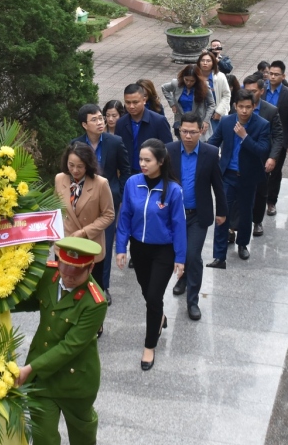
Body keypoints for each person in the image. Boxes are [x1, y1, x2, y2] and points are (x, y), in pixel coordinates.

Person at [15, 237, 107, 445]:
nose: (67, 276)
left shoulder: (95, 302)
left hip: (76, 380)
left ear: (90, 269)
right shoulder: (49, 275)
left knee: (82, 422)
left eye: (75, 272)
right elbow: (28, 300)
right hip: (42, 380)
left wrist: (29, 370)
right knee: (43, 441)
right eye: (64, 267)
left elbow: (69, 347)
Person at [115, 138, 186, 371]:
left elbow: (179, 225)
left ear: (161, 162)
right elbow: (124, 216)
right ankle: (160, 317)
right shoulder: (133, 183)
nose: (142, 164)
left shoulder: (173, 190)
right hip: (139, 249)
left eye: (148, 160)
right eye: (140, 159)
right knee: (148, 293)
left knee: (154, 297)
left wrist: (180, 258)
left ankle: (149, 345)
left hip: (163, 251)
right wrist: (121, 248)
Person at [165, 118, 226, 320]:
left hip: (198, 216)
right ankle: (182, 279)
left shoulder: (209, 153)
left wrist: (222, 211)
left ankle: (192, 301)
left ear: (201, 130)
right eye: (184, 131)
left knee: (193, 255)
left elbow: (218, 184)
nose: (188, 136)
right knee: (177, 255)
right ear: (179, 131)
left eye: (193, 132)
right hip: (174, 216)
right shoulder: (169, 151)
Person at [55, 142, 115, 327]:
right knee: (66, 283)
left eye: (80, 166)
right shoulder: (60, 179)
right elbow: (56, 208)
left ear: (88, 164)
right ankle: (66, 320)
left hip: (90, 244)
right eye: (71, 165)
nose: (75, 170)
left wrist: (84, 232)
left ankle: (95, 323)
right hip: (66, 244)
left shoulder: (100, 183)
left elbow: (109, 214)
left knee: (92, 287)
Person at [206, 91, 270, 265]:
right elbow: (213, 142)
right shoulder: (226, 121)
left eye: (248, 107)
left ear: (254, 107)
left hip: (248, 176)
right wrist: (211, 159)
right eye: (241, 107)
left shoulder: (262, 125)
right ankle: (219, 255)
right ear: (235, 106)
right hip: (227, 175)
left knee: (245, 211)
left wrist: (245, 137)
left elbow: (262, 150)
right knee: (222, 213)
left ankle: (242, 244)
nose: (244, 111)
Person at [73, 104, 129, 301]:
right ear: (84, 125)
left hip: (108, 203)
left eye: (101, 118)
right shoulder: (76, 145)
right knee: (83, 244)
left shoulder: (114, 142)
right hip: (83, 204)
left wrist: (120, 195)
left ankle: (102, 287)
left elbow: (125, 170)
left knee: (103, 246)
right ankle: (81, 283)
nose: (100, 122)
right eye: (94, 119)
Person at [242, 74, 284, 238]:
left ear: (261, 90)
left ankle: (257, 221)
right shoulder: (237, 107)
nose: (250, 94)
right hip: (242, 158)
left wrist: (272, 157)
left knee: (260, 192)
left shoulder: (271, 111)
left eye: (253, 91)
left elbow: (279, 136)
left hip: (261, 158)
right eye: (247, 91)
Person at [262, 61, 288, 218]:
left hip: (279, 139)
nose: (273, 77)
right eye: (271, 73)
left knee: (275, 171)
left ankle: (271, 202)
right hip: (260, 137)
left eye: (276, 74)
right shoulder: (261, 90)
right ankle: (259, 199)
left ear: (283, 76)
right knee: (260, 170)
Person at [115, 83, 174, 173]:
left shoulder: (159, 121)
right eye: (127, 102)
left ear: (144, 100)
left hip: (153, 173)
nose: (131, 106)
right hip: (128, 174)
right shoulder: (121, 123)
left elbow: (168, 150)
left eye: (135, 102)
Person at [160, 64, 216, 131]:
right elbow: (164, 88)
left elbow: (212, 104)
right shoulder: (176, 83)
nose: (188, 83)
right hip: (181, 121)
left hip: (197, 121)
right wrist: (172, 104)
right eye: (186, 80)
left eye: (192, 81)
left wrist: (206, 121)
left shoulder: (204, 87)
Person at [196, 50, 231, 138]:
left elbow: (226, 95)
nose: (205, 63)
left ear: (213, 63)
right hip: (199, 115)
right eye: (203, 60)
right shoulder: (195, 77)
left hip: (216, 115)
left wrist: (219, 111)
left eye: (208, 61)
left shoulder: (220, 77)